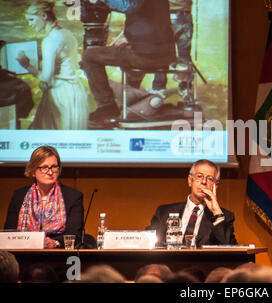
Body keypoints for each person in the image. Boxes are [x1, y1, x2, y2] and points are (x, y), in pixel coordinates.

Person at [82, 0, 176, 125]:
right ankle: (134, 101)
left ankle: (107, 106)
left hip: (145, 54)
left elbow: (130, 6)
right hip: (165, 54)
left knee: (89, 56)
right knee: (125, 55)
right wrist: (130, 37)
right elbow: (149, 14)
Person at [16, 1, 89, 130]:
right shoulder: (67, 33)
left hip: (60, 95)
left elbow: (46, 78)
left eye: (32, 19)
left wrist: (27, 66)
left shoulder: (49, 40)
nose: (30, 24)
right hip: (76, 92)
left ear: (44, 16)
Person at [4, 146, 84, 249]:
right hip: (24, 254)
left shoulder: (73, 196)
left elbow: (75, 234)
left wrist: (55, 243)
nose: (50, 172)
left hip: (59, 255)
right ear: (33, 170)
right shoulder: (19, 196)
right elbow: (8, 233)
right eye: (44, 167)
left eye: (54, 167)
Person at [146, 159, 237, 247]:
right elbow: (146, 242)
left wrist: (216, 211)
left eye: (210, 179)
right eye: (199, 176)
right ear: (190, 180)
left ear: (215, 186)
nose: (204, 182)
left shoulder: (224, 217)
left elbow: (232, 250)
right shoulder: (163, 212)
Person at [150, 0, 194, 101]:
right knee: (184, 54)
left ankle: (158, 88)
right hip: (185, 15)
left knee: (162, 53)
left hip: (167, 15)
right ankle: (186, 88)